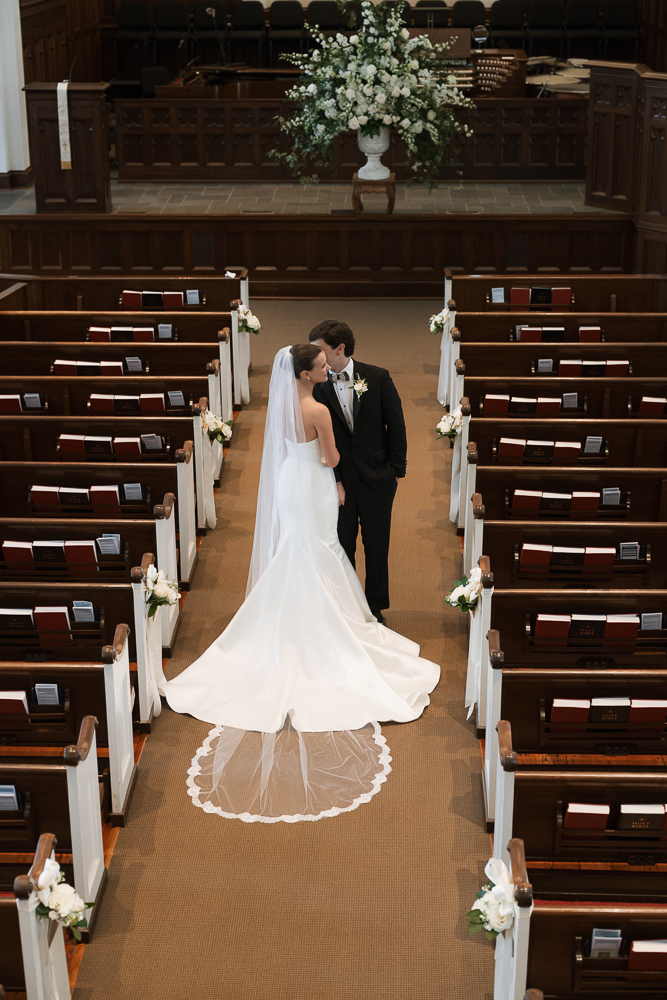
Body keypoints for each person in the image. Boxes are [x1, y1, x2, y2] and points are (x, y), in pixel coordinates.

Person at [162, 345, 439, 823]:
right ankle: (332, 628)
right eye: (319, 366)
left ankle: (280, 623)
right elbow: (330, 458)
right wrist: (335, 474)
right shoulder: (317, 408)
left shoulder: (282, 405)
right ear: (309, 372)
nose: (324, 369)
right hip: (314, 483)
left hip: (291, 481)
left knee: (296, 550)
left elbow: (287, 450)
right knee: (322, 551)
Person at [309, 320, 406, 626]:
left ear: (340, 349)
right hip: (338, 482)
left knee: (377, 547)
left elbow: (396, 425)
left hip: (378, 477)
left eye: (320, 351)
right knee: (343, 545)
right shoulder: (315, 384)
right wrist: (334, 478)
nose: (317, 358)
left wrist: (395, 472)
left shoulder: (377, 377)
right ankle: (349, 607)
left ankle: (376, 607)